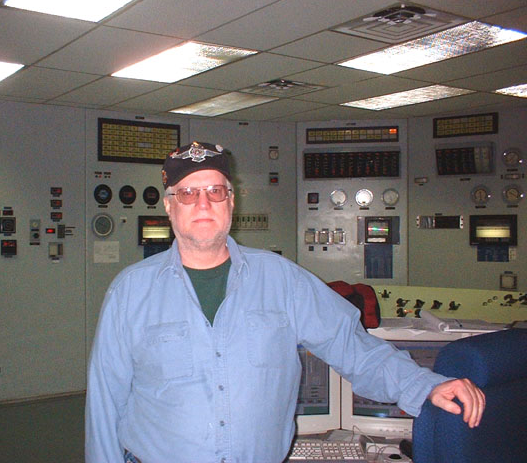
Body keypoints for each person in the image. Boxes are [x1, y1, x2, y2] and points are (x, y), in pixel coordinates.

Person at [85, 141, 485, 463]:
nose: (203, 204)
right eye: (188, 193)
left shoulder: (283, 280)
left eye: (215, 191)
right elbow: (105, 405)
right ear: (169, 205)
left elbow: (354, 348)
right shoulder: (129, 292)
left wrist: (426, 385)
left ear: (231, 201)